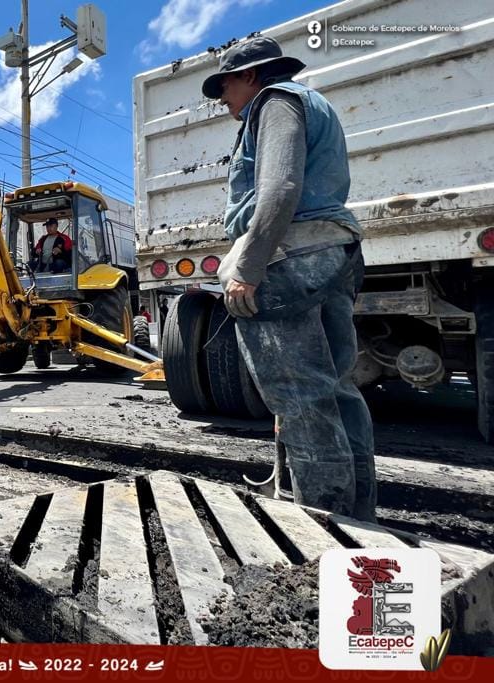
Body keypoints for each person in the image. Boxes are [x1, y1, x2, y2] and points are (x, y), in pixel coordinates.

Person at [205, 36, 376, 521]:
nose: (223, 100)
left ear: (250, 76)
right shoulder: (313, 104)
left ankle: (324, 525)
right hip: (333, 251)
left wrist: (249, 267)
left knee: (300, 398)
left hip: (290, 256)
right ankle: (360, 518)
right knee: (336, 388)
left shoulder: (275, 103)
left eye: (225, 86)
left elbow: (279, 187)